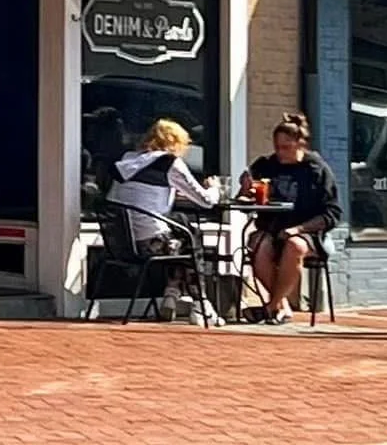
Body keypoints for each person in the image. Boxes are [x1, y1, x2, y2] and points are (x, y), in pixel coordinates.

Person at [105, 118, 222, 320]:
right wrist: (215, 188)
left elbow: (142, 193)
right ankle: (200, 305)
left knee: (182, 226)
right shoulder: (169, 163)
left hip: (121, 243)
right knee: (191, 241)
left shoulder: (129, 159)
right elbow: (205, 201)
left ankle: (172, 293)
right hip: (151, 245)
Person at [242, 111, 342, 324]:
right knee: (258, 245)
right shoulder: (266, 165)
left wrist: (299, 229)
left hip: (307, 231)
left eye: (286, 147)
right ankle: (280, 305)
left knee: (294, 245)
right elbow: (244, 198)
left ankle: (270, 307)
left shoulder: (316, 170)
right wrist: (246, 192)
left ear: (300, 144)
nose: (280, 153)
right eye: (277, 147)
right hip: (271, 227)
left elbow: (332, 213)